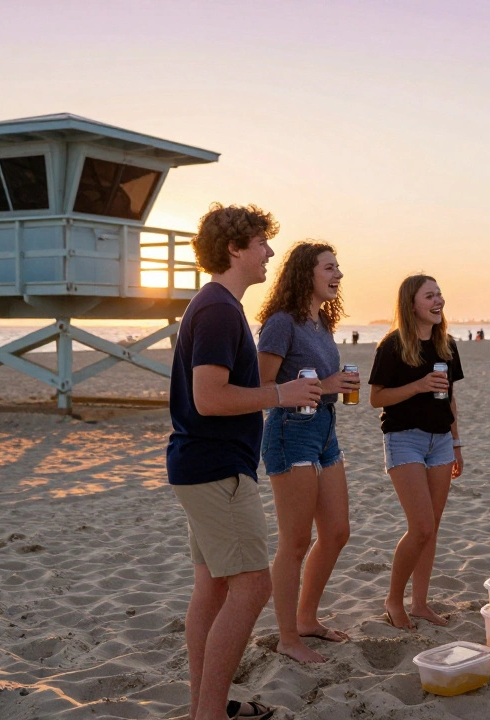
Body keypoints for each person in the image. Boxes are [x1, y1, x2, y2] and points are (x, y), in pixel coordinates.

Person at [167, 203, 320, 720]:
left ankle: (203, 708)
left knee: (212, 587)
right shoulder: (216, 309)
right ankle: (209, 714)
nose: (269, 252)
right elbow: (209, 397)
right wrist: (281, 393)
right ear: (235, 248)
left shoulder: (216, 306)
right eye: (260, 243)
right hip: (216, 469)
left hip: (202, 465)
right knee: (253, 585)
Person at [256, 241, 359, 663]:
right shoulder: (281, 323)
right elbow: (261, 390)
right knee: (295, 542)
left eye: (338, 267)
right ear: (305, 273)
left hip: (325, 429)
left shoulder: (320, 323)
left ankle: (306, 619)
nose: (338, 274)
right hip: (289, 431)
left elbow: (321, 378)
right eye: (329, 267)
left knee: (337, 532)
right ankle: (287, 637)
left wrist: (334, 385)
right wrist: (326, 384)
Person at [368, 274, 464, 629]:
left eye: (440, 294)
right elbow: (376, 398)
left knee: (432, 528)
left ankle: (420, 603)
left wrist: (456, 443)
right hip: (403, 437)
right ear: (412, 305)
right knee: (421, 525)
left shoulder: (448, 345)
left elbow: (452, 399)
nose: (438, 300)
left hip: (440, 441)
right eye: (430, 296)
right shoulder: (392, 346)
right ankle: (394, 599)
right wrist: (419, 385)